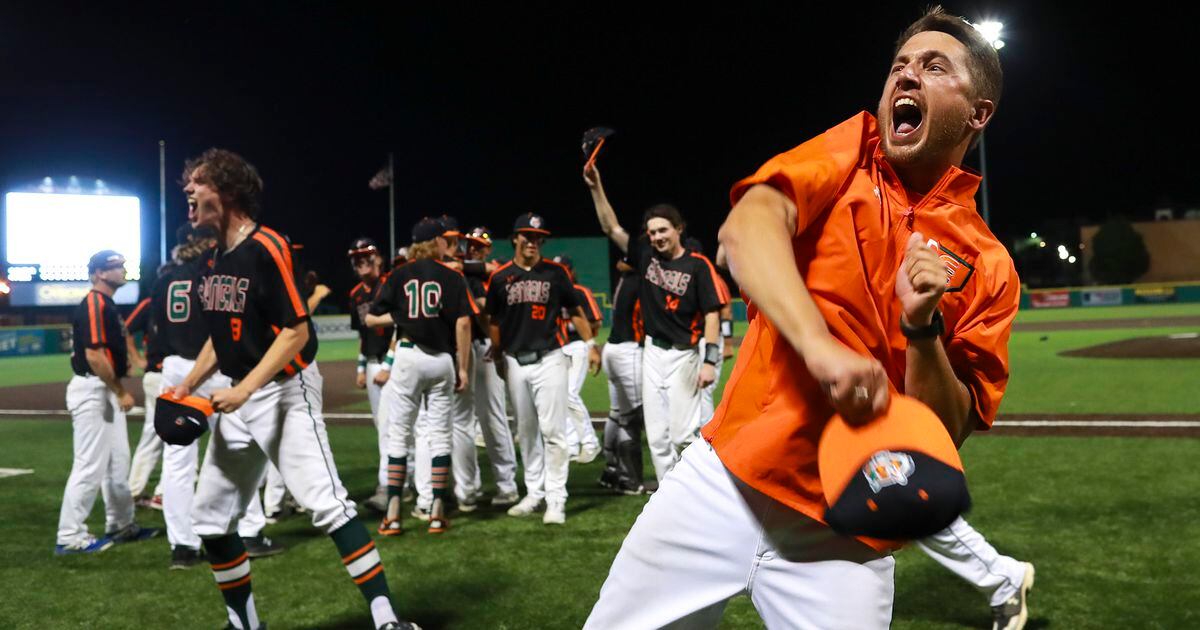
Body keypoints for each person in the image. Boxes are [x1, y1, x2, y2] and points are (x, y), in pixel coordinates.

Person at [586, 8, 1023, 628]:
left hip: (851, 527)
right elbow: (745, 229)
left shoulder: (988, 264)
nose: (906, 77)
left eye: (933, 67)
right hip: (726, 479)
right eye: (899, 65)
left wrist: (921, 330)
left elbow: (945, 431)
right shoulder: (853, 152)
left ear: (977, 113)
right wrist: (820, 349)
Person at [168, 148, 418, 630]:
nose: (189, 190)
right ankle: (245, 625)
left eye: (198, 181)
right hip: (239, 394)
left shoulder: (268, 246)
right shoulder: (215, 259)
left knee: (328, 504)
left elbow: (297, 331)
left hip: (284, 391)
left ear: (229, 190)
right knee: (211, 521)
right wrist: (188, 385)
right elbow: (222, 340)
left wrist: (245, 392)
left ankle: (387, 619)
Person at [583, 171, 730, 482]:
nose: (657, 237)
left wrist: (710, 361)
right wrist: (596, 186)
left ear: (678, 229)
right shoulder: (646, 255)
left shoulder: (697, 265)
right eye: (651, 232)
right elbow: (611, 227)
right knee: (658, 437)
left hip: (684, 355)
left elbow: (713, 315)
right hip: (652, 353)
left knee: (682, 435)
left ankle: (694, 489)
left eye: (663, 230)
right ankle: (666, 496)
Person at [154, 224, 282, 570]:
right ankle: (251, 532)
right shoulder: (210, 271)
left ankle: (182, 546)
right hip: (209, 366)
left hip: (175, 368)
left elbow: (156, 330)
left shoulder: (165, 278)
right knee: (235, 448)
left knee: (178, 463)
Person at [485, 213, 600, 525]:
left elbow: (576, 310)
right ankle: (534, 493)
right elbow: (493, 320)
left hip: (550, 358)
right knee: (527, 431)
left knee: (554, 432)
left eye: (537, 237)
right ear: (515, 239)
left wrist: (590, 346)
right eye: (527, 236)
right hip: (514, 360)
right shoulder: (500, 277)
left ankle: (556, 498)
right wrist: (496, 355)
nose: (533, 242)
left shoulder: (556, 273)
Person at [368, 217, 475, 535]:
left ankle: (394, 513)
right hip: (442, 359)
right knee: (441, 435)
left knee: (399, 436)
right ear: (435, 243)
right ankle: (438, 512)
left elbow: (373, 319)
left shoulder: (398, 274)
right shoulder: (452, 276)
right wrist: (464, 368)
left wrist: (400, 314)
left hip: (408, 356)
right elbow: (464, 323)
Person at [56, 250, 160, 554]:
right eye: (117, 266)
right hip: (94, 390)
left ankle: (121, 524)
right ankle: (70, 535)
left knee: (117, 464)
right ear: (100, 273)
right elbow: (93, 355)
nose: (123, 269)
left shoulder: (106, 304)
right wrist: (119, 390)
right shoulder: (94, 303)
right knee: (89, 465)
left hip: (101, 389)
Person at [457, 226, 520, 507]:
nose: (474, 248)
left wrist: (497, 349)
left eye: (479, 246)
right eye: (470, 244)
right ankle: (468, 487)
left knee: (492, 417)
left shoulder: (492, 276)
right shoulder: (466, 271)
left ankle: (507, 485)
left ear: (488, 249)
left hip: (483, 347)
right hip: (461, 350)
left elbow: (486, 312)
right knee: (460, 422)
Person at [347, 237, 395, 513]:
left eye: (366, 256)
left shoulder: (390, 284)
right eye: (357, 258)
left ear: (378, 257)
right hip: (374, 364)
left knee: (393, 427)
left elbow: (401, 327)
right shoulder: (355, 295)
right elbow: (362, 335)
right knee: (383, 426)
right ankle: (402, 481)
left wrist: (388, 364)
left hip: (394, 363)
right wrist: (361, 367)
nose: (362, 262)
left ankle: (388, 486)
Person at [597, 257, 646, 495]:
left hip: (611, 349)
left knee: (617, 414)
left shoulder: (626, 276)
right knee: (633, 418)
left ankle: (612, 470)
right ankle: (629, 480)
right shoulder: (639, 278)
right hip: (628, 351)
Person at [551, 255, 603, 464]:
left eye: (564, 268)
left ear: (571, 271)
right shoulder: (554, 292)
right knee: (561, 396)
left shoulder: (580, 292)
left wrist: (591, 346)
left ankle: (590, 442)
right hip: (559, 348)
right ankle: (572, 444)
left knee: (570, 394)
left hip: (579, 346)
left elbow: (595, 321)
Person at [124, 289, 166, 510]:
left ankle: (134, 489)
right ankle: (162, 493)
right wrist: (137, 358)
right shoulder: (152, 301)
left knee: (153, 434)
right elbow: (126, 329)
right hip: (163, 374)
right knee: (178, 435)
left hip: (161, 375)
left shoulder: (155, 299)